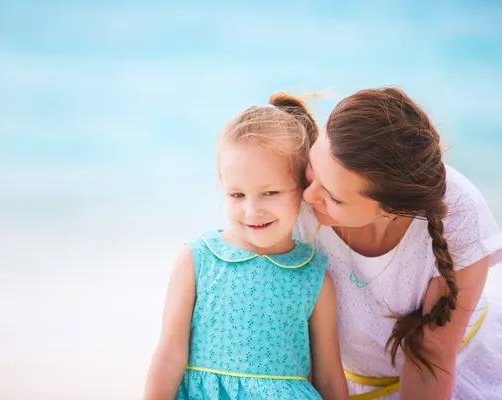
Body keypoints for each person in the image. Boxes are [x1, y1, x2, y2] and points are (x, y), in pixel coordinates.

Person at [297, 86, 502, 399]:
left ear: (391, 211)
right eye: (314, 168)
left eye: (333, 197)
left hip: (453, 367)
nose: (309, 196)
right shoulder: (296, 202)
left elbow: (431, 357)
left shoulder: (459, 214)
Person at [143, 93, 348, 399]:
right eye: (237, 195)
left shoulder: (313, 276)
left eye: (270, 192)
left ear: (303, 189)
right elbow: (169, 357)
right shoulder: (198, 259)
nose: (252, 211)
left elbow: (329, 378)